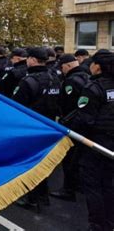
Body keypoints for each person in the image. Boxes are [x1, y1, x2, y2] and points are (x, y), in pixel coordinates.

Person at [64, 50, 114, 231]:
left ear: (98, 67)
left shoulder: (93, 88)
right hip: (110, 144)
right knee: (108, 184)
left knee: (93, 187)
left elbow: (84, 120)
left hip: (95, 145)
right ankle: (109, 222)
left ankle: (97, 225)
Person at [13, 47, 62, 211]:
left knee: (29, 163)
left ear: (33, 60)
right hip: (49, 126)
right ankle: (43, 195)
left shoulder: (28, 81)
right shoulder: (54, 77)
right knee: (43, 162)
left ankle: (31, 199)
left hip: (30, 128)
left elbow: (16, 106)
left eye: (28, 58)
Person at [50, 54, 90, 202]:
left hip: (72, 125)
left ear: (67, 65)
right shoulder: (86, 75)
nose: (62, 70)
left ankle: (68, 189)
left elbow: (67, 104)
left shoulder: (71, 82)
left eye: (62, 67)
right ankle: (78, 185)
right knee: (80, 157)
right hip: (85, 124)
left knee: (70, 159)